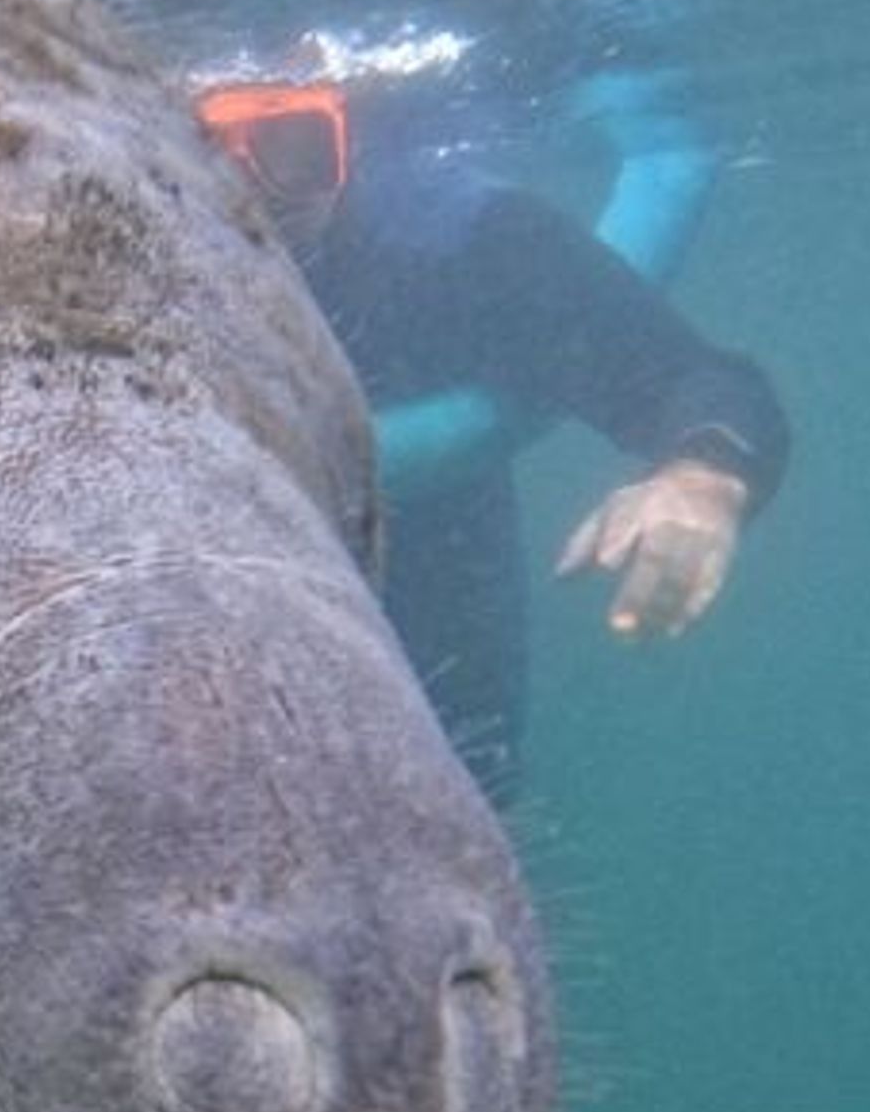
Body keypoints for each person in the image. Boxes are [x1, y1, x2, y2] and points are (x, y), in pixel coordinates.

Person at [196, 65, 789, 801]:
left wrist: (703, 480)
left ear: (347, 140)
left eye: (294, 149)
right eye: (205, 157)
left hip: (432, 631)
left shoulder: (458, 241)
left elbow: (688, 375)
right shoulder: (89, 250)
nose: (255, 195)